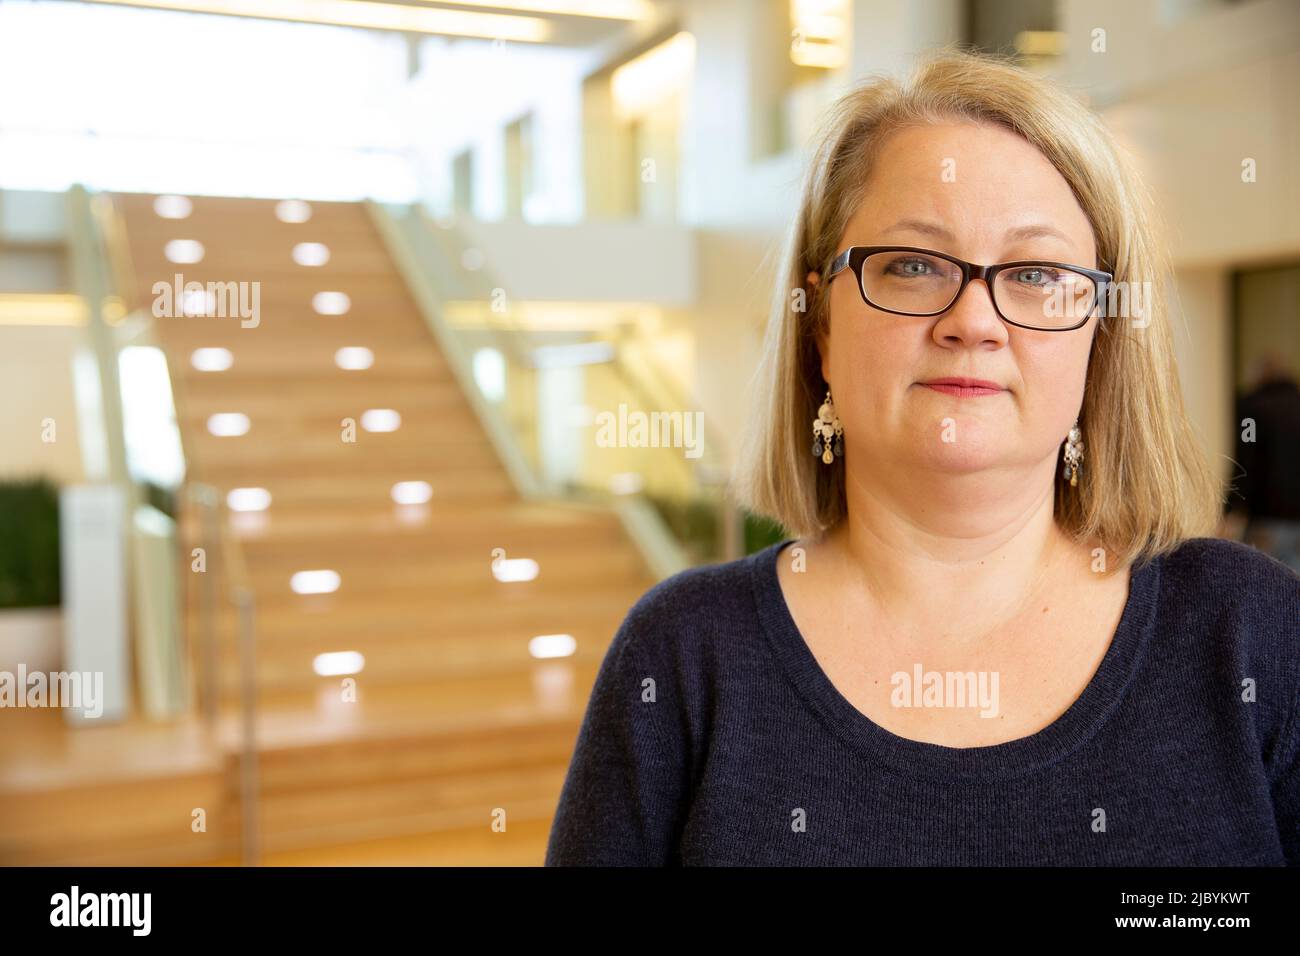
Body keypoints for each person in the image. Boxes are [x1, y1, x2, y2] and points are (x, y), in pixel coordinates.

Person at [545, 49, 1300, 866]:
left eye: (1037, 273)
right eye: (912, 266)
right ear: (819, 326)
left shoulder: (1252, 631)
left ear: (1101, 338)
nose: (974, 321)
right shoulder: (682, 656)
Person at [1228, 352, 1300, 572]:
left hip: (1265, 519)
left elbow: (1245, 459)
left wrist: (1231, 506)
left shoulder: (1252, 410)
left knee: (1261, 583)